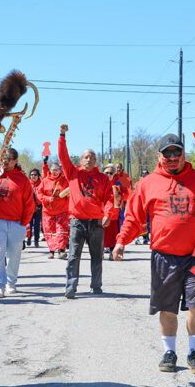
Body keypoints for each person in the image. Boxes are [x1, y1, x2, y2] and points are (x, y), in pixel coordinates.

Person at [113, 133, 195, 375]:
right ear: (159, 155)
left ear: (183, 154)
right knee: (167, 308)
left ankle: (194, 353)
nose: (172, 157)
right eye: (166, 153)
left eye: (176, 152)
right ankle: (169, 352)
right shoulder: (148, 184)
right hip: (164, 256)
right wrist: (121, 241)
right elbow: (134, 217)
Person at [58, 123, 114, 299]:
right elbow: (63, 156)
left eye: (92, 157)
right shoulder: (73, 173)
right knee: (73, 256)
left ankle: (96, 286)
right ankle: (71, 287)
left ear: (96, 161)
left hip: (96, 223)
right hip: (77, 222)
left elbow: (109, 199)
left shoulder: (103, 178)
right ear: (81, 160)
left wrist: (107, 214)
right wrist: (62, 136)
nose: (89, 159)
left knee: (97, 257)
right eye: (85, 157)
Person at [0, 147, 35, 298]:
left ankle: (11, 282)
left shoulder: (23, 179)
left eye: (8, 159)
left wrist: (24, 223)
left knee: (14, 255)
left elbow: (29, 203)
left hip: (16, 223)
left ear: (15, 161)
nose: (5, 162)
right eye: (2, 158)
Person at [37, 159, 70, 259]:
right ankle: (51, 250)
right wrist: (47, 199)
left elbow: (71, 193)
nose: (55, 172)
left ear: (60, 170)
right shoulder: (45, 181)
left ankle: (61, 251)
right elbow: (39, 193)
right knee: (49, 231)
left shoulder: (65, 181)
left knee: (61, 231)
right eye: (53, 170)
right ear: (50, 170)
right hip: (48, 212)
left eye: (57, 170)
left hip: (62, 211)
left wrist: (67, 195)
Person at [103, 164, 125, 261]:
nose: (108, 175)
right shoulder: (100, 183)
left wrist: (121, 196)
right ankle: (100, 252)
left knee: (113, 236)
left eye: (111, 173)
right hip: (102, 214)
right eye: (106, 173)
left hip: (114, 215)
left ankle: (112, 252)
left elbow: (126, 194)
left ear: (114, 174)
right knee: (101, 235)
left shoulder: (118, 184)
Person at [27, 168, 43, 247]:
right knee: (29, 225)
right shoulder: (27, 184)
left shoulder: (42, 183)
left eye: (35, 175)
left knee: (37, 226)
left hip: (38, 208)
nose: (33, 176)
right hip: (29, 208)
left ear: (38, 176)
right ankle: (29, 238)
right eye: (32, 175)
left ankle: (36, 241)